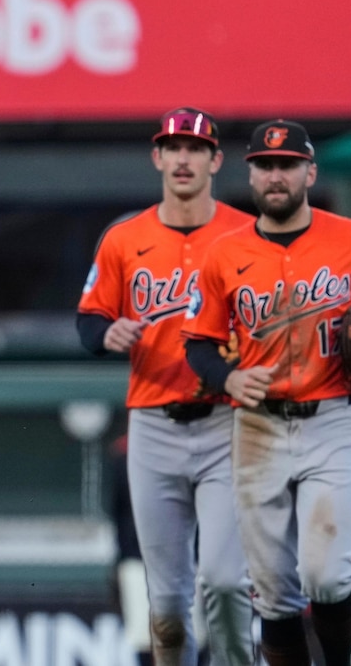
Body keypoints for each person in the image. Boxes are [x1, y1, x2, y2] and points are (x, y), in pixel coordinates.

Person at [184, 120, 351, 666]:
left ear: (310, 171)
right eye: (264, 165)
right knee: (275, 592)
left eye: (286, 164)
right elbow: (199, 346)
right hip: (257, 424)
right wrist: (227, 378)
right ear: (251, 174)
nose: (275, 175)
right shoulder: (221, 254)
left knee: (328, 577)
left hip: (330, 417)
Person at [78, 108, 255, 666]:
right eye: (174, 148)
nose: (183, 158)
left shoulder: (245, 235)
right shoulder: (124, 238)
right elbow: (87, 321)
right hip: (153, 422)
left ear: (215, 161)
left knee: (226, 581)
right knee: (166, 600)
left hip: (227, 420)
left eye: (196, 149)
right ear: (158, 157)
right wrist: (109, 331)